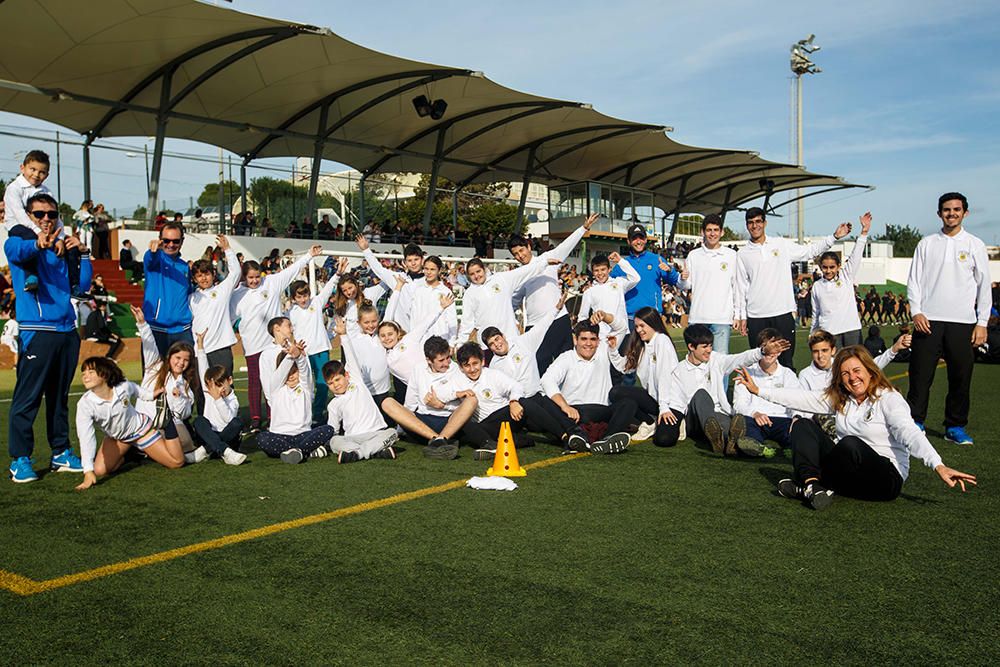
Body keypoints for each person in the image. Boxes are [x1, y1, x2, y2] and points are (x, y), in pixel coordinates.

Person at [736, 346, 976, 510]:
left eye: (857, 371)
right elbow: (801, 398)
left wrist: (938, 464)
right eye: (845, 374)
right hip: (849, 472)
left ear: (870, 371)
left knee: (850, 444)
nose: (852, 378)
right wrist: (759, 391)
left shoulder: (888, 398)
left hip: (884, 480)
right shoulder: (842, 398)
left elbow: (909, 431)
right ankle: (811, 485)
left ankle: (808, 487)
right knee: (801, 424)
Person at [5, 193, 91, 483]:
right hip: (37, 331)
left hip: (67, 331)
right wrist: (37, 243)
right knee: (27, 398)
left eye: (51, 214)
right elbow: (14, 250)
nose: (45, 219)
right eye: (39, 214)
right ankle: (20, 459)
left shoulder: (61, 247)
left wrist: (82, 253)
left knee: (59, 398)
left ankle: (60, 451)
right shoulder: (19, 240)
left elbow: (82, 285)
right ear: (29, 216)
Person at [906, 192, 991, 444]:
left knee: (960, 377)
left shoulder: (975, 244)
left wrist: (982, 322)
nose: (951, 213)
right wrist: (916, 311)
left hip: (962, 322)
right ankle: (914, 424)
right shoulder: (926, 243)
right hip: (928, 320)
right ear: (939, 213)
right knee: (920, 377)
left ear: (965, 213)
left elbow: (983, 286)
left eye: (956, 209)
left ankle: (954, 427)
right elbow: (914, 281)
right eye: (946, 209)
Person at [735, 206, 851, 368]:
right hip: (756, 315)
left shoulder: (781, 244)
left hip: (782, 312)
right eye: (751, 223)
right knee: (758, 364)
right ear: (747, 225)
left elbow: (809, 251)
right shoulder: (742, 254)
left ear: (765, 223)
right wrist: (740, 315)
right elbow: (741, 286)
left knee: (786, 362)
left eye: (758, 221)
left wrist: (834, 237)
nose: (755, 226)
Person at [660, 324, 789, 453]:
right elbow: (677, 403)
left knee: (733, 431)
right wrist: (666, 412)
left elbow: (739, 359)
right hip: (694, 419)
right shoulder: (679, 370)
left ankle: (726, 442)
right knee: (701, 394)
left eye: (710, 345)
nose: (709, 350)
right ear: (691, 347)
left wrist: (761, 352)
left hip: (717, 414)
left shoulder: (716, 360)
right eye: (705, 346)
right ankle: (716, 436)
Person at [232, 245, 320, 432]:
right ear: (244, 277)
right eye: (251, 278)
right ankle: (256, 419)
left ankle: (275, 415)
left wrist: (308, 255)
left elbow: (291, 271)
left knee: (280, 379)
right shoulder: (237, 295)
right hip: (253, 345)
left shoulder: (271, 282)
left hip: (275, 345)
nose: (255, 281)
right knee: (255, 382)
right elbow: (229, 316)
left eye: (257, 276)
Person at [74, 357, 185, 490]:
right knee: (99, 471)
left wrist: (151, 395)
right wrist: (88, 471)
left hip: (141, 431)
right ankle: (132, 453)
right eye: (83, 373)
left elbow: (136, 389)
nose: (85, 377)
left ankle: (168, 423)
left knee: (176, 462)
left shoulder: (122, 387)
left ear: (104, 374)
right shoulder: (85, 404)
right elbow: (86, 437)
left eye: (91, 372)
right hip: (119, 438)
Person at [509, 214, 598, 374]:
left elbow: (567, 245)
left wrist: (584, 228)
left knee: (567, 365)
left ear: (529, 247)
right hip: (535, 326)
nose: (520, 256)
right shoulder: (518, 275)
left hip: (559, 320)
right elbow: (513, 303)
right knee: (538, 367)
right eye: (515, 254)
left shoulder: (547, 259)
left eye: (521, 250)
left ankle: (572, 397)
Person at [539, 321, 636, 454]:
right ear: (575, 339)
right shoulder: (566, 358)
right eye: (584, 339)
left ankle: (606, 440)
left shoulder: (603, 351)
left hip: (601, 410)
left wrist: (604, 317)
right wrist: (565, 406)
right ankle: (577, 434)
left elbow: (622, 328)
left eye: (592, 339)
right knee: (544, 399)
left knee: (629, 403)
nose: (588, 344)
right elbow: (547, 380)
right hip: (575, 413)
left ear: (598, 341)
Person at [606, 306, 678, 446]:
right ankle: (650, 422)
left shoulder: (662, 340)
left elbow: (665, 376)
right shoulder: (642, 345)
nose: (639, 330)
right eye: (637, 326)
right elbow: (624, 368)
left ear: (653, 323)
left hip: (671, 402)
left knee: (664, 440)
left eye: (642, 326)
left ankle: (680, 421)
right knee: (616, 393)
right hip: (654, 400)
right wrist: (613, 350)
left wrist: (664, 407)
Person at [402, 335, 481, 460]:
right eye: (441, 360)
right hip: (422, 422)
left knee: (472, 400)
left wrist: (442, 405)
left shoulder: (456, 369)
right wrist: (403, 424)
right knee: (388, 402)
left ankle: (441, 439)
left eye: (448, 358)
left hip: (448, 421)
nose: (447, 363)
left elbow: (464, 403)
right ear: (429, 360)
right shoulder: (418, 369)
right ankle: (437, 440)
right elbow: (410, 402)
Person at [133, 306, 198, 455]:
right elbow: (149, 344)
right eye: (178, 358)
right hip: (146, 422)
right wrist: (142, 324)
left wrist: (178, 397)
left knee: (186, 442)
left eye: (186, 360)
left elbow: (184, 414)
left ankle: (148, 450)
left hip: (168, 425)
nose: (181, 363)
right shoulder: (154, 367)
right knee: (179, 448)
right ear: (170, 357)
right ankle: (148, 448)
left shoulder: (186, 385)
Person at [258, 340, 336, 464]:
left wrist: (298, 357)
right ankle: (306, 451)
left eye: (294, 372)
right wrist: (290, 356)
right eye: (287, 373)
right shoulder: (275, 389)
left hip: (303, 435)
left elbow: (305, 371)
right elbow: (279, 376)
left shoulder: (306, 388)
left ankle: (295, 451)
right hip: (279, 436)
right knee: (263, 438)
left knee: (328, 429)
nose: (291, 376)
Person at [288, 259, 345, 424]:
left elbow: (328, 289)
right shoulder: (290, 312)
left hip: (321, 350)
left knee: (322, 384)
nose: (303, 299)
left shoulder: (316, 303)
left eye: (305, 295)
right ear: (294, 298)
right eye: (299, 296)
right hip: (303, 354)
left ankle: (318, 413)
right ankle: (303, 414)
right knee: (304, 386)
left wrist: (338, 273)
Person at [3, 151, 66, 294]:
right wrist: (38, 233)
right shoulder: (14, 189)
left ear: (47, 175)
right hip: (18, 227)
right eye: (33, 169)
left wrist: (61, 238)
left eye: (42, 172)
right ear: (22, 168)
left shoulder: (46, 192)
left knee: (71, 246)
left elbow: (56, 217)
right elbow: (20, 215)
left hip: (41, 230)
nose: (36, 175)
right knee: (31, 239)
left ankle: (75, 285)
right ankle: (31, 274)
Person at [610, 223, 680, 351]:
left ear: (646, 240)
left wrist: (669, 270)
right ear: (629, 241)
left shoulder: (656, 260)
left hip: (652, 317)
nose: (638, 241)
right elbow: (610, 287)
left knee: (655, 358)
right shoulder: (622, 265)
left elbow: (674, 280)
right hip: (630, 318)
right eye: (635, 238)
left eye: (641, 238)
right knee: (631, 360)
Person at [732, 328, 801, 456]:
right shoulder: (747, 372)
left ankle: (791, 447)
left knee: (798, 429)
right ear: (759, 350)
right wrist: (754, 413)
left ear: (780, 351)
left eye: (774, 347)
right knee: (745, 425)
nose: (770, 352)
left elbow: (797, 400)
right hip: (756, 419)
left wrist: (796, 417)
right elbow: (738, 404)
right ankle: (757, 449)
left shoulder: (788, 374)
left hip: (783, 419)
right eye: (765, 347)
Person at [809, 213, 872, 348]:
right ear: (820, 267)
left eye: (832, 267)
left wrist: (864, 232)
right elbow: (816, 312)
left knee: (855, 365)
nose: (828, 270)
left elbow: (856, 255)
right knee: (834, 367)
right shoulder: (817, 286)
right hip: (829, 333)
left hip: (851, 330)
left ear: (838, 266)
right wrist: (813, 332)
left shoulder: (846, 276)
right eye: (824, 267)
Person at [678, 214, 739, 353]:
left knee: (720, 365)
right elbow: (686, 285)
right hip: (698, 317)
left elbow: (737, 287)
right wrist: (682, 278)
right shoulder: (694, 255)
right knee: (696, 364)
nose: (712, 234)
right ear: (702, 232)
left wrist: (737, 315)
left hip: (722, 319)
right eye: (709, 230)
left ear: (722, 232)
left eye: (716, 230)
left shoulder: (731, 255)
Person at [322, 358, 398, 464]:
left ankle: (358, 454)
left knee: (393, 433)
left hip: (375, 433)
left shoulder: (358, 384)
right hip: (352, 439)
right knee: (334, 442)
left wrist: (345, 340)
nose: (335, 385)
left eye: (337, 379)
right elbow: (333, 430)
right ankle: (376, 451)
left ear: (347, 376)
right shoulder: (333, 405)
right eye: (330, 383)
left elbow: (351, 357)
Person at [187, 330, 246, 465]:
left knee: (237, 422)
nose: (218, 390)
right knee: (199, 421)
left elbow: (228, 420)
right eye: (214, 386)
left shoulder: (233, 399)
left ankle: (205, 451)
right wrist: (200, 346)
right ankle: (225, 452)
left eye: (220, 385)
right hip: (210, 435)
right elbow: (203, 367)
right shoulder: (209, 390)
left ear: (229, 380)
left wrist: (218, 400)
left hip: (229, 439)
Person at [189, 234, 241, 378]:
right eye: (199, 276)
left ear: (213, 274)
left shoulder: (221, 290)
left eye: (206, 274)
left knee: (224, 389)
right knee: (200, 392)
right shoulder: (191, 298)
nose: (203, 278)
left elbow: (236, 272)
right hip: (199, 350)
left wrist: (228, 249)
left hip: (220, 349)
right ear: (194, 279)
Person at [142, 222, 194, 356]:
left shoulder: (184, 267)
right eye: (166, 241)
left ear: (182, 241)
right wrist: (153, 252)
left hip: (182, 330)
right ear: (160, 240)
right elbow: (149, 259)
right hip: (157, 329)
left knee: (188, 375)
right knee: (154, 375)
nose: (171, 245)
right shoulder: (155, 261)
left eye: (175, 241)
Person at [357, 237, 425, 329]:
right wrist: (366, 250)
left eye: (416, 259)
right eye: (409, 260)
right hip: (401, 333)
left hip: (422, 332)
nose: (413, 263)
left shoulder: (429, 281)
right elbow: (379, 270)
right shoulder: (398, 278)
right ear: (405, 262)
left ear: (422, 260)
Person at [577, 252, 640, 344]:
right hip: (602, 336)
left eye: (603, 269)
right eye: (596, 270)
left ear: (609, 269)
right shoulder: (589, 291)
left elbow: (636, 278)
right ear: (592, 272)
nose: (600, 273)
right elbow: (582, 317)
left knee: (623, 358)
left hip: (622, 332)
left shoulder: (619, 283)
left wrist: (620, 261)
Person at [408, 255, 458, 345]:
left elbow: (452, 319)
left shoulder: (446, 291)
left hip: (441, 338)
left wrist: (451, 342)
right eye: (426, 269)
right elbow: (413, 317)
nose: (429, 272)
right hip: (421, 339)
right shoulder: (418, 290)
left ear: (439, 271)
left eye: (432, 269)